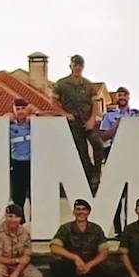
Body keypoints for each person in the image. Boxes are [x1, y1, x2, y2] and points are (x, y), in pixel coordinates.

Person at [98, 87, 139, 233]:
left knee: (132, 193)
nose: (122, 97)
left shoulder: (136, 115)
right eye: (120, 94)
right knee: (116, 193)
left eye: (125, 94)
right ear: (116, 97)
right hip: (114, 152)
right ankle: (118, 229)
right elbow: (103, 137)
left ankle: (129, 227)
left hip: (132, 154)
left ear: (129, 97)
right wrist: (117, 126)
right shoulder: (109, 116)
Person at [50, 199, 114, 277]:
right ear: (74, 212)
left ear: (88, 212)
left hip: (89, 267)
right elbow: (54, 247)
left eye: (84, 209)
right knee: (55, 262)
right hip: (71, 266)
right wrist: (75, 258)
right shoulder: (66, 228)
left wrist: (89, 265)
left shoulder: (96, 229)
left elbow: (104, 251)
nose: (81, 212)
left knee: (106, 265)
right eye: (78, 209)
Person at [54, 55, 101, 188]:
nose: (78, 68)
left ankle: (97, 172)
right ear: (71, 66)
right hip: (73, 123)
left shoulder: (88, 84)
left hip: (88, 121)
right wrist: (65, 114)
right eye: (75, 65)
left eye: (80, 65)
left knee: (98, 144)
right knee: (82, 152)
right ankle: (90, 178)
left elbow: (95, 103)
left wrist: (92, 118)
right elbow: (54, 102)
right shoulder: (61, 84)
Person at [7, 99, 35, 218]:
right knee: (18, 196)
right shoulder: (10, 126)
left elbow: (50, 116)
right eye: (17, 109)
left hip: (32, 164)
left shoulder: (34, 123)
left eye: (23, 108)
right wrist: (7, 117)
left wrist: (35, 113)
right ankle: (20, 222)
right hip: (17, 164)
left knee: (35, 195)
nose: (20, 111)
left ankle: (36, 222)